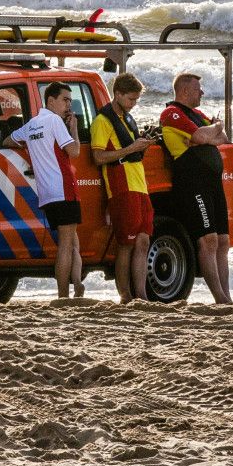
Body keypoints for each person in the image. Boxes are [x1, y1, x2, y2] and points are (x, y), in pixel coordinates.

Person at [160, 71, 232, 305]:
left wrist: (211, 133)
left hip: (212, 183)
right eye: (198, 88)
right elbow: (202, 136)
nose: (202, 92)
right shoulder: (172, 113)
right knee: (208, 240)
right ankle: (219, 297)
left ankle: (227, 296)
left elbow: (224, 138)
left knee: (223, 240)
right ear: (184, 91)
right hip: (193, 183)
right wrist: (214, 128)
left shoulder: (197, 114)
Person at [10, 83, 85, 299]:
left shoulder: (32, 124)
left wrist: (32, 150)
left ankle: (77, 284)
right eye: (65, 100)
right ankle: (63, 294)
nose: (69, 105)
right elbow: (75, 150)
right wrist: (74, 130)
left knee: (72, 240)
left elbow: (10, 139)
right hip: (63, 187)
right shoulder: (54, 120)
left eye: (71, 101)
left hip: (47, 192)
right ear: (50, 101)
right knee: (66, 243)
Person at [90, 72, 158, 303]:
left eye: (136, 100)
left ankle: (141, 295)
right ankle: (125, 295)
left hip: (139, 185)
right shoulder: (102, 121)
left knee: (143, 241)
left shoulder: (127, 119)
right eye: (130, 99)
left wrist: (144, 145)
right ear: (117, 94)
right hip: (121, 186)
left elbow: (133, 152)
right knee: (126, 243)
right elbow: (98, 157)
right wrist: (131, 149)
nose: (133, 104)